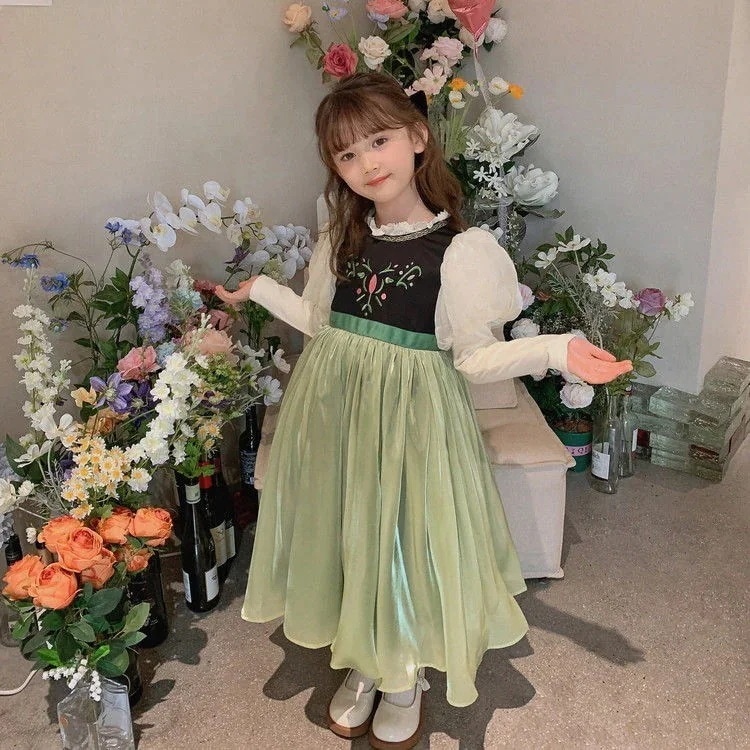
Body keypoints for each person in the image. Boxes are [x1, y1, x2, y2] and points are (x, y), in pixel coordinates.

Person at [215, 72, 631, 750]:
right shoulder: (340, 236)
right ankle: (362, 660)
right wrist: (259, 288)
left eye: (378, 141)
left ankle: (402, 672)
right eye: (346, 154)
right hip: (335, 411)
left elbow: (475, 357)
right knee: (350, 532)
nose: (366, 163)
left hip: (412, 418)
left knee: (400, 541)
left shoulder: (461, 251)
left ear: (416, 138)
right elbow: (320, 322)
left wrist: (556, 349)